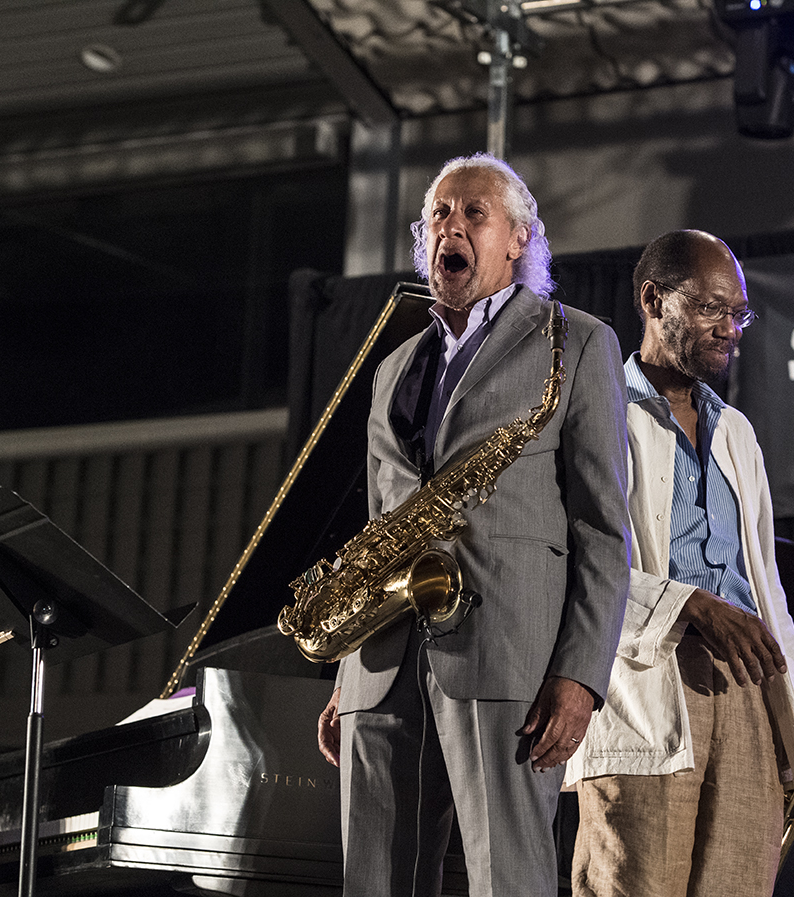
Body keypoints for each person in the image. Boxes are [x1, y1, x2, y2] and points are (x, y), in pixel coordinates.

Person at [314, 153, 631, 897]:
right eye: (438, 217)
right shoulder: (393, 365)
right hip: (383, 658)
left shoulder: (576, 342)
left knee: (507, 880)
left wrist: (580, 674)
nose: (449, 227)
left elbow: (604, 530)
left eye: (472, 213)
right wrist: (343, 672)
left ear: (518, 239)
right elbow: (375, 527)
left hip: (507, 655)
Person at [565, 230, 794, 897]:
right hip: (648, 687)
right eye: (712, 308)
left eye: (738, 313)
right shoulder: (596, 413)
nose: (729, 327)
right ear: (653, 300)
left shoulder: (737, 431)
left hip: (747, 697)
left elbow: (765, 584)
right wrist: (691, 605)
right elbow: (580, 565)